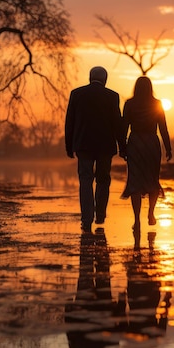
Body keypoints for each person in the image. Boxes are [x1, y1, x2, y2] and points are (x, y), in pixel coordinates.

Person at [65, 66, 125, 232]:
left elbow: (69, 122)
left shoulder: (77, 94)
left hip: (83, 145)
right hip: (105, 146)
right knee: (103, 179)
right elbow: (117, 123)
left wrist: (69, 146)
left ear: (90, 77)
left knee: (85, 180)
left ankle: (86, 219)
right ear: (105, 79)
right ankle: (100, 215)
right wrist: (123, 146)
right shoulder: (112, 96)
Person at [120, 76, 172, 231]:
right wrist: (168, 148)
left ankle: (137, 220)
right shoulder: (157, 104)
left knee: (135, 180)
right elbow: (163, 127)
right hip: (151, 144)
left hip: (135, 142)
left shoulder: (129, 104)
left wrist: (122, 148)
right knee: (152, 178)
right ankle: (151, 212)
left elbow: (124, 127)